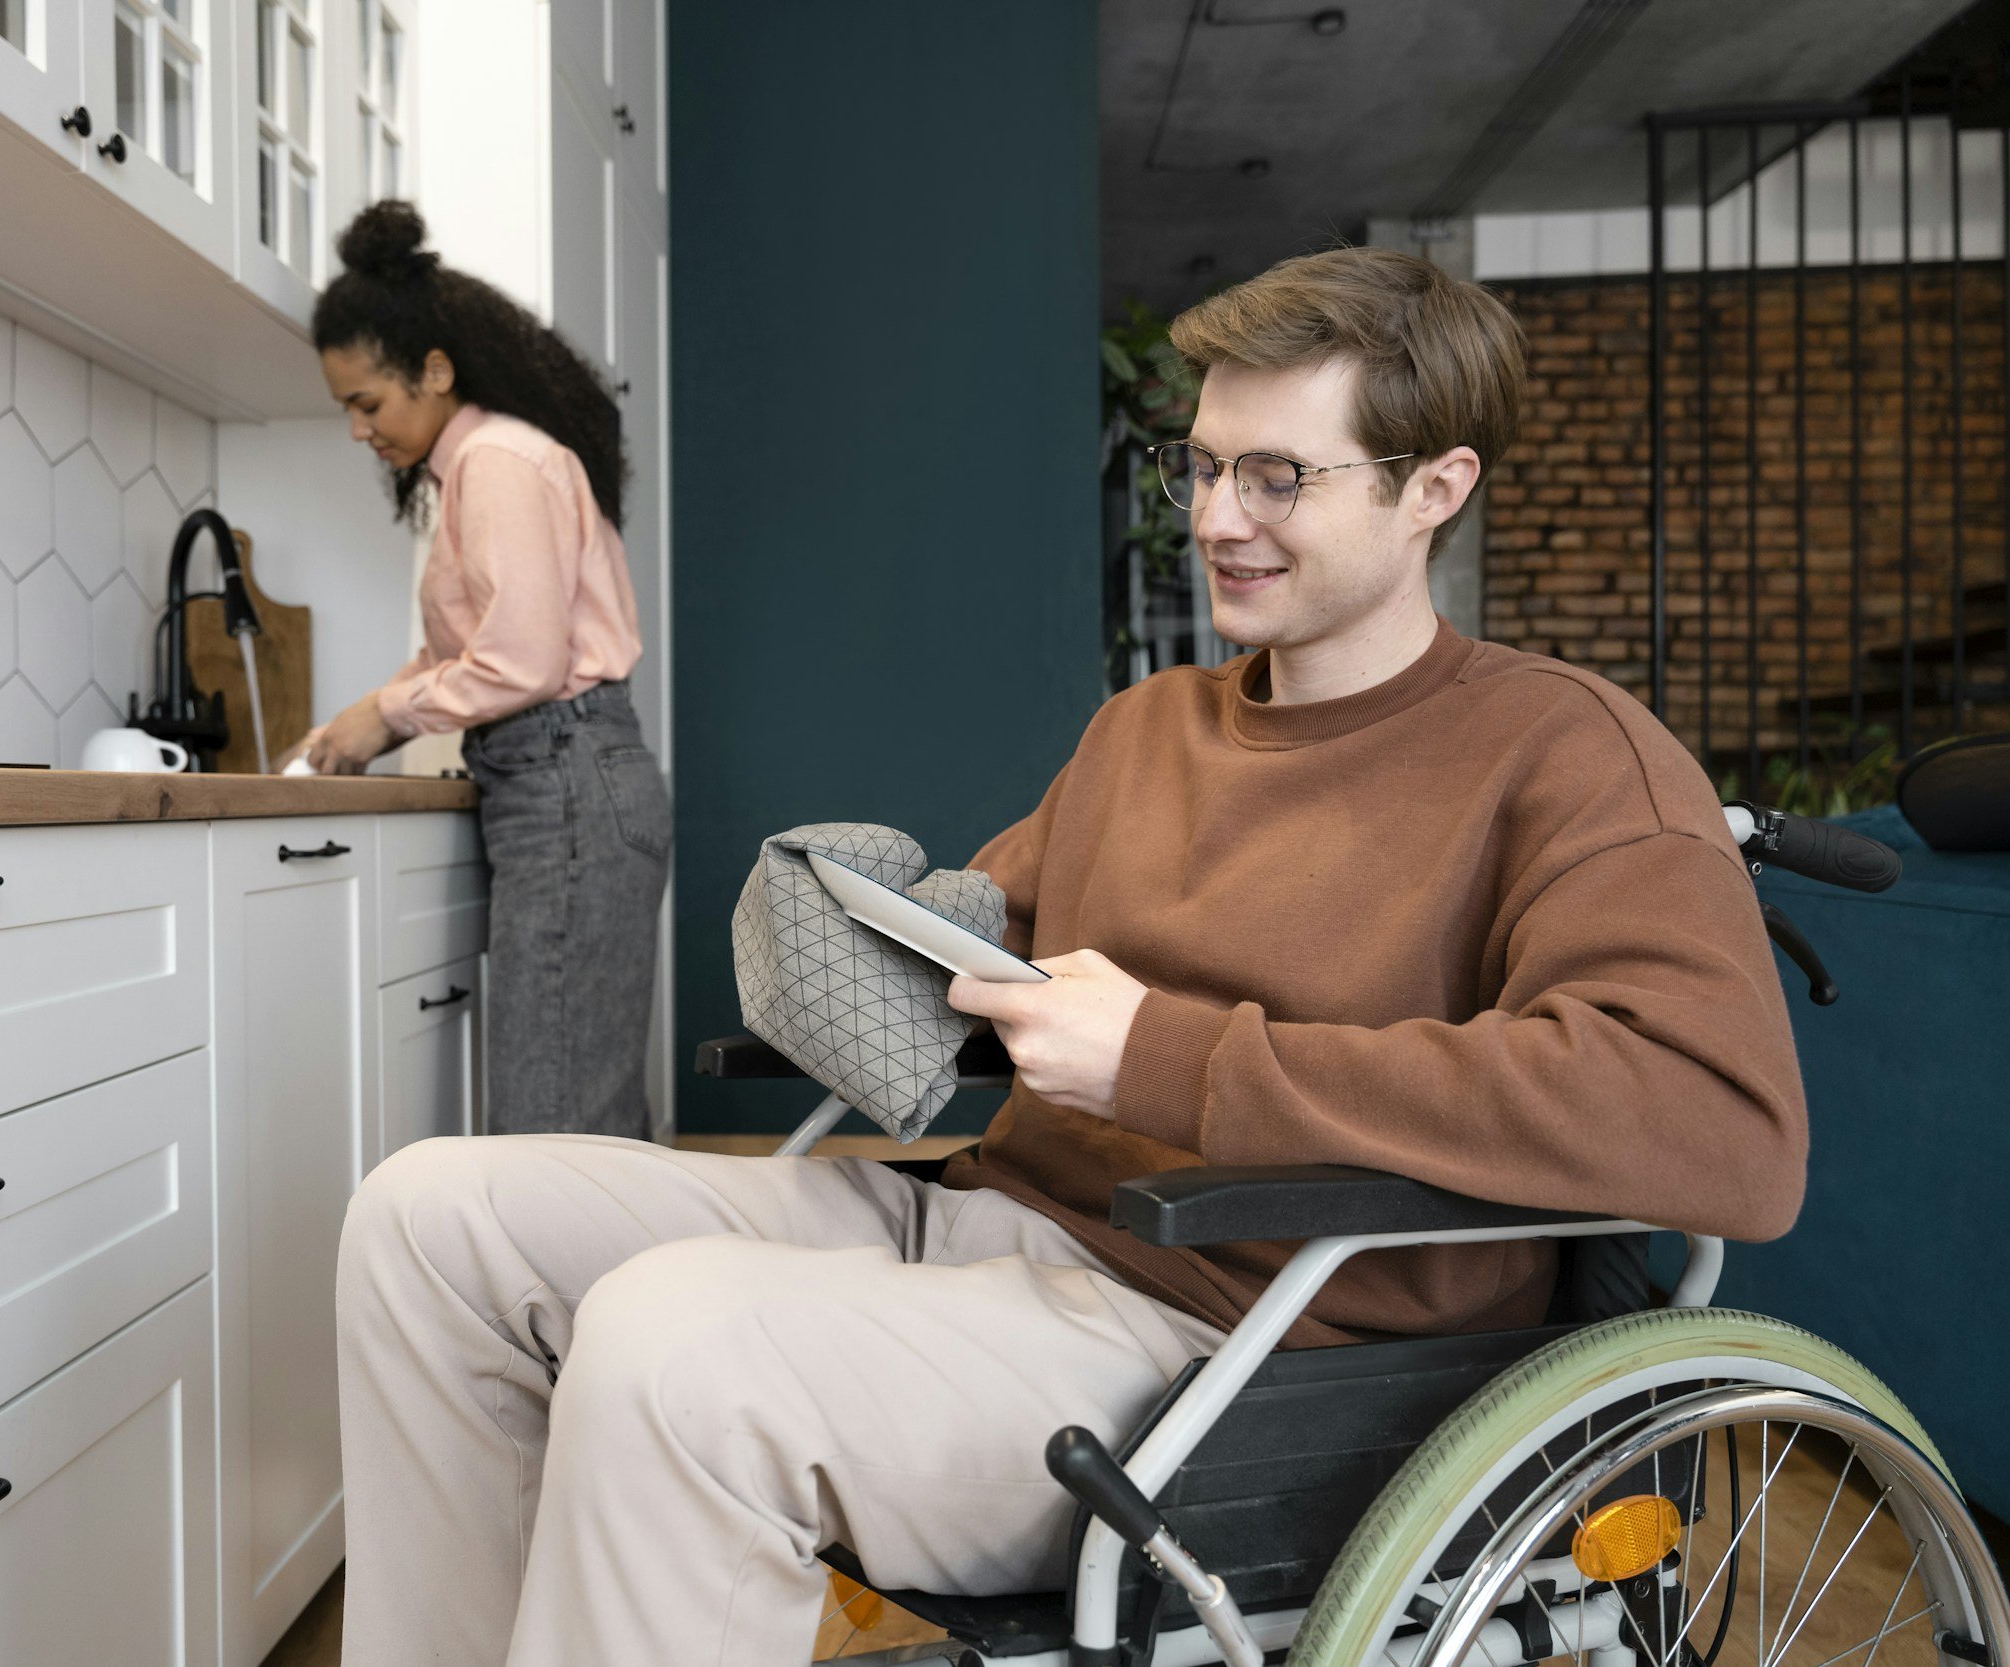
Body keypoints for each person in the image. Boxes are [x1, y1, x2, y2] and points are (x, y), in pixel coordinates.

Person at [330, 246, 1809, 1664]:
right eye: (1207, 464)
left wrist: (1174, 1053)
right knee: (428, 1217)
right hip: (989, 1226)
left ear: (1438, 486)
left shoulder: (1568, 750)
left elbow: (1722, 1125)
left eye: (1279, 474)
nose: (1220, 515)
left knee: (670, 1343)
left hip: (1238, 1347)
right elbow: (991, 956)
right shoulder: (1148, 727)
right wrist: (862, 925)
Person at [280, 200, 669, 1140]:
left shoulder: (495, 461)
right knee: (581, 1108)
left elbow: (523, 661)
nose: (358, 431)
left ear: (436, 371)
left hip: (565, 783)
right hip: (571, 779)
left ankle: (581, 1292)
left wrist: (392, 711)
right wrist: (360, 718)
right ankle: (615, 1289)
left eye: (367, 403)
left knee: (550, 1123)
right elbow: (474, 648)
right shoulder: (482, 468)